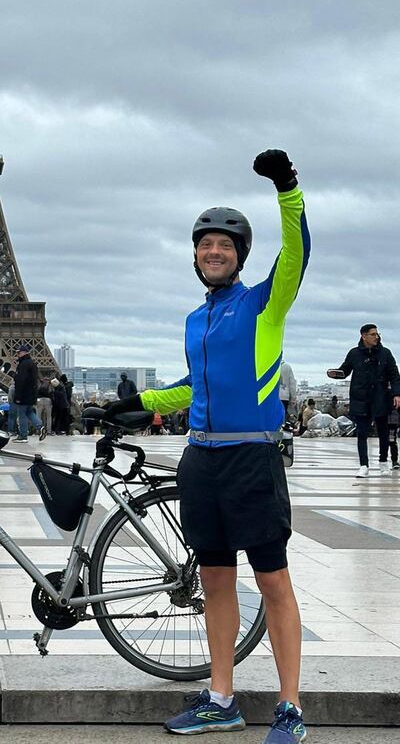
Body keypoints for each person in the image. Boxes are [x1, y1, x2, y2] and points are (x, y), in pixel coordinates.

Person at [135, 149, 310, 742]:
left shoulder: (265, 303)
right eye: (206, 245)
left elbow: (298, 252)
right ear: (195, 255)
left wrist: (287, 188)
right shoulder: (195, 320)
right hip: (201, 459)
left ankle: (289, 707)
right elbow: (195, 386)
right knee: (212, 580)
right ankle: (221, 696)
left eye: (226, 246)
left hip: (251, 458)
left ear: (239, 257)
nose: (215, 252)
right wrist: (139, 404)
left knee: (272, 581)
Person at [327, 324, 400, 478]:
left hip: (381, 397)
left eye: (377, 334)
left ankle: (383, 462)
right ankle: (363, 465)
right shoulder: (354, 353)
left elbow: (394, 375)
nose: (376, 337)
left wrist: (396, 394)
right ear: (363, 336)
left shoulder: (385, 354)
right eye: (373, 334)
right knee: (362, 433)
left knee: (383, 432)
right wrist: (335, 374)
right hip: (361, 398)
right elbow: (345, 371)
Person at [11, 343, 44, 443]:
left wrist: (18, 396)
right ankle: (41, 427)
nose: (17, 354)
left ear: (25, 352)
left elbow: (21, 380)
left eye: (19, 352)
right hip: (31, 394)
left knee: (22, 414)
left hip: (24, 394)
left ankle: (23, 436)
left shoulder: (23, 364)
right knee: (29, 412)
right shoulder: (32, 363)